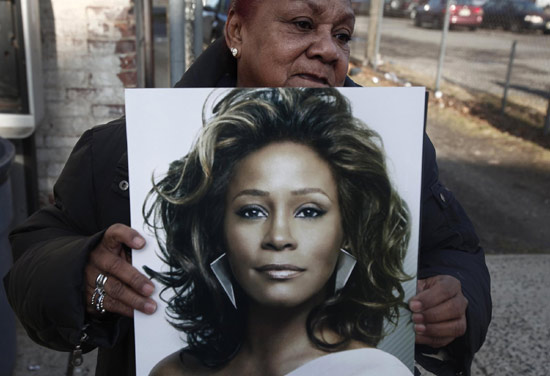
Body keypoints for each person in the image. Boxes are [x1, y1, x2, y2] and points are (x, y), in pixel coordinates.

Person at [4, 0, 491, 375]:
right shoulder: (120, 150)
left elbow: (452, 250)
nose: (329, 49)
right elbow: (34, 253)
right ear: (236, 29)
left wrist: (456, 299)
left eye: (342, 34)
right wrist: (78, 273)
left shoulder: (398, 155)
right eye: (302, 24)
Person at [144, 87, 413, 375]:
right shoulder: (174, 372)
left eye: (309, 211)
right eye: (252, 211)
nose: (279, 237)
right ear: (218, 229)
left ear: (347, 229)